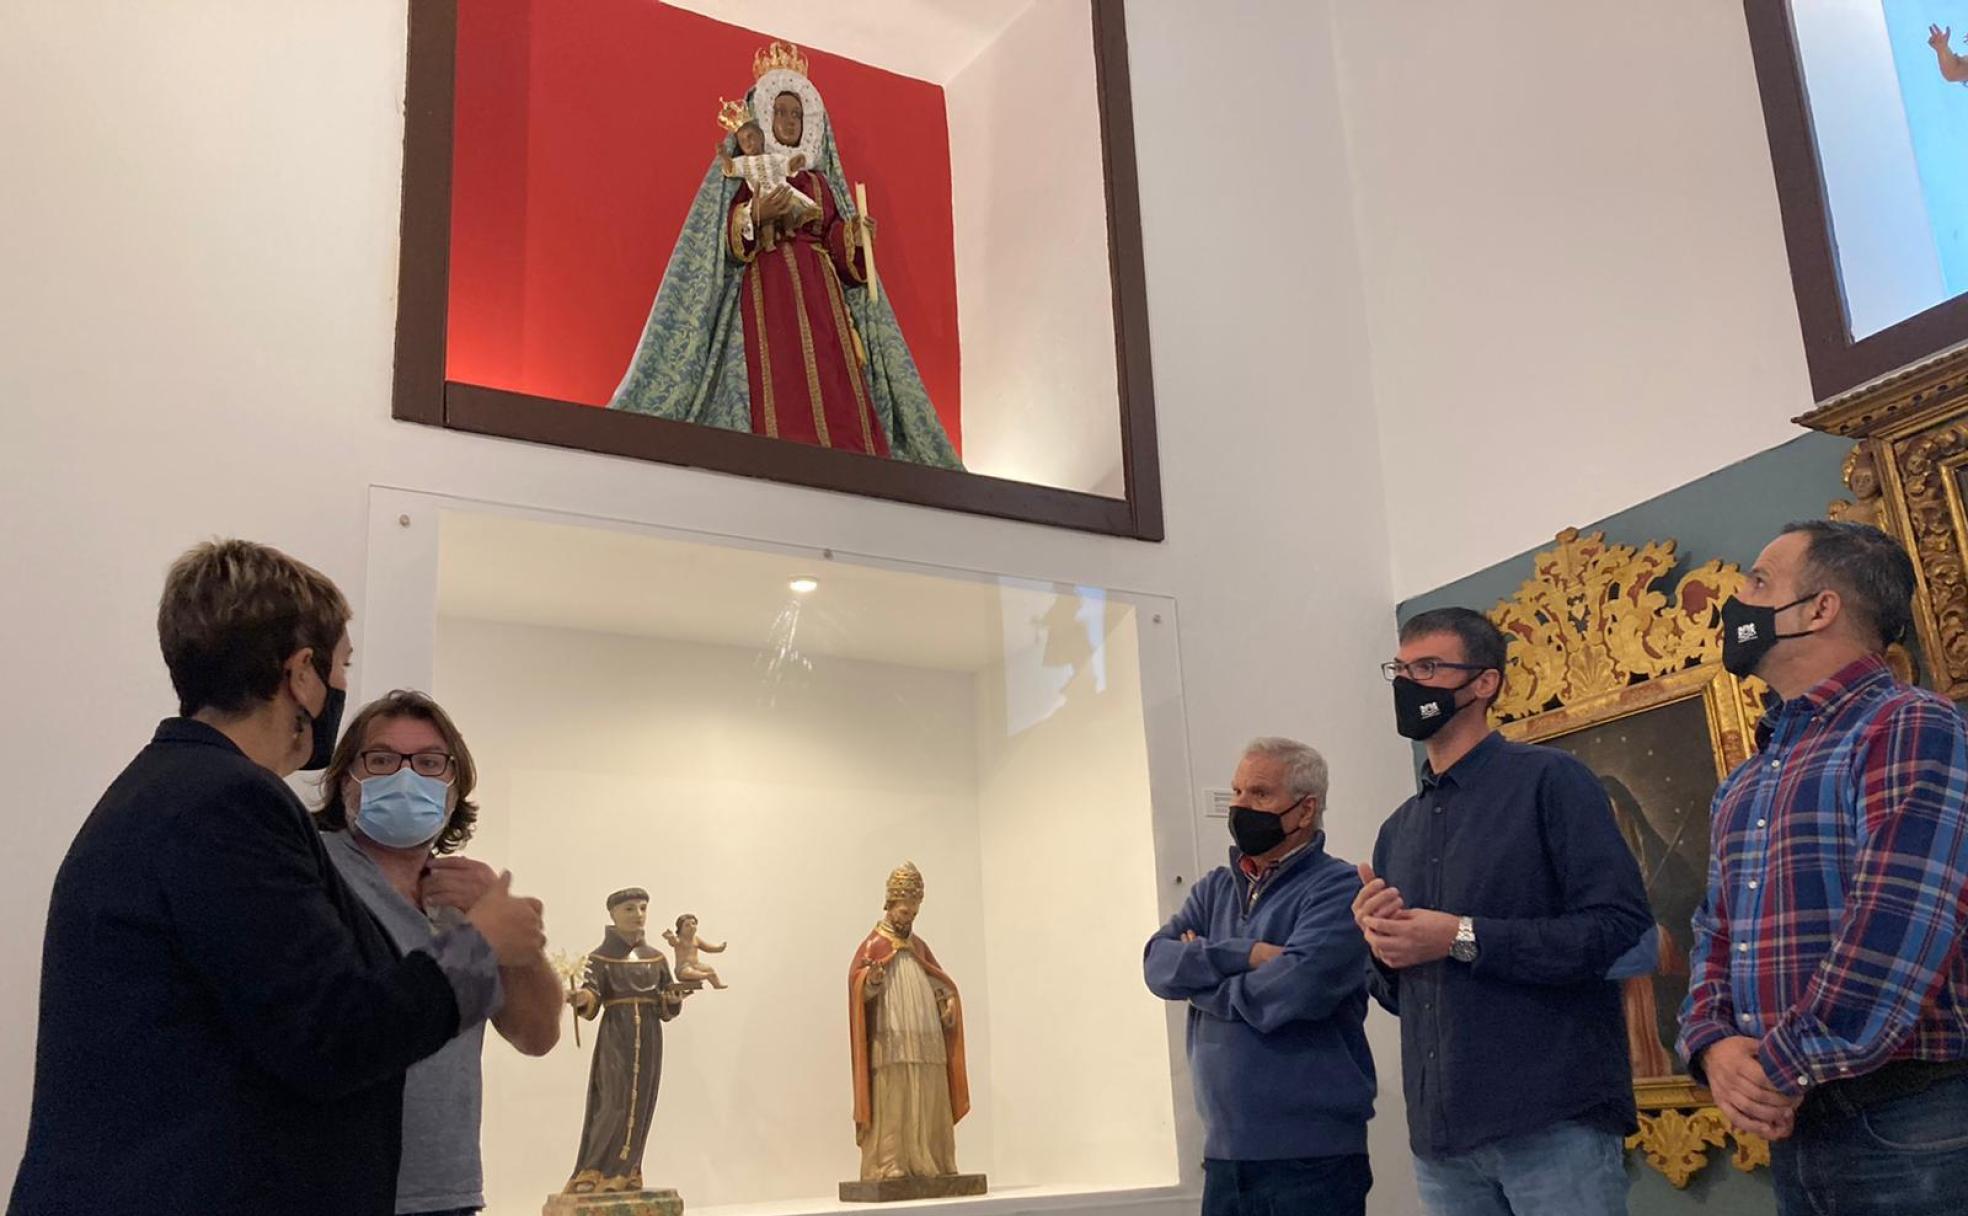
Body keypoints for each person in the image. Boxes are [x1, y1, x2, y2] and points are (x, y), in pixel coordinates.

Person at [9, 539, 547, 1216]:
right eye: (342, 664)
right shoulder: (229, 801)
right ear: (301, 675)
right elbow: (332, 1038)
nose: (341, 685)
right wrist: (481, 945)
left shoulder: (170, 786)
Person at [1676, 521, 1968, 1215]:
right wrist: (1712, 1044)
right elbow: (1715, 931)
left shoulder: (1910, 724)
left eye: (1758, 582)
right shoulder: (1746, 780)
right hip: (1798, 1124)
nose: (1737, 599)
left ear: (1819, 609)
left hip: (1911, 1121)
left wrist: (1772, 1068)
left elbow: (1901, 921)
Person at [1356, 607, 1651, 1216]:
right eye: (1400, 670)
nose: (1408, 684)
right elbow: (1400, 994)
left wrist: (1459, 936)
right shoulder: (1397, 830)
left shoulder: (1552, 781)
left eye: (1428, 668)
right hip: (1442, 1140)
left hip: (1551, 1122)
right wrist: (1383, 948)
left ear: (1484, 683)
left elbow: (1619, 931)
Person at [608, 42, 960, 468]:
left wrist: (854, 236)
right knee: (777, 370)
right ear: (764, 118)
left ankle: (846, 453)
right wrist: (756, 214)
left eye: (797, 115)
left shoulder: (820, 183)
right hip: (767, 283)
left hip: (821, 291)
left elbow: (836, 242)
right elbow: (722, 236)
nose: (790, 121)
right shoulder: (748, 170)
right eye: (781, 112)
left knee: (831, 366)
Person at [315, 690, 566, 1216]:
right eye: (382, 760)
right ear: (345, 780)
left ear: (455, 788)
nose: (406, 777)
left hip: (447, 1190)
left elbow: (537, 1035)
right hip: (336, 1187)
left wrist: (509, 935)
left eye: (430, 763)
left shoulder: (464, 898)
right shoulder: (314, 875)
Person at [1143, 738, 1375, 1216]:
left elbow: (1295, 990)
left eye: (1260, 794)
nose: (1241, 806)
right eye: (1237, 791)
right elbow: (1157, 964)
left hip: (1312, 1161)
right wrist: (1246, 954)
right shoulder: (1214, 889)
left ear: (1305, 810)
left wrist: (1200, 984)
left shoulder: (1339, 887)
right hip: (1225, 1157)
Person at [848, 862, 972, 1183]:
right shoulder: (874, 945)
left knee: (929, 1088)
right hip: (891, 1033)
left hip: (925, 1032)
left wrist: (947, 1001)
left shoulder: (918, 947)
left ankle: (934, 1155)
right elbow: (859, 987)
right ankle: (891, 1161)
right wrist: (872, 980)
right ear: (889, 905)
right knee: (894, 1092)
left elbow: (938, 980)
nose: (909, 919)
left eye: (914, 913)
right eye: (904, 912)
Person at [562, 889, 691, 1195]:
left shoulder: (655, 958)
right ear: (613, 914)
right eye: (630, 908)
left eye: (643, 908)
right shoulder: (599, 958)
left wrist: (672, 1000)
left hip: (648, 1036)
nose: (638, 914)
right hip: (616, 1035)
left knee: (641, 1101)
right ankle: (593, 1169)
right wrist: (583, 997)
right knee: (612, 1101)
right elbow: (592, 992)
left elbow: (665, 1002)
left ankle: (628, 1170)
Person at [717, 115, 813, 220]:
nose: (747, 142)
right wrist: (724, 156)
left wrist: (796, 163)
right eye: (742, 141)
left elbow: (786, 167)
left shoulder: (773, 158)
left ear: (761, 138)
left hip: (781, 191)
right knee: (764, 220)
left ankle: (789, 226)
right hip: (761, 198)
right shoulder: (743, 162)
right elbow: (731, 168)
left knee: (790, 208)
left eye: (750, 137)